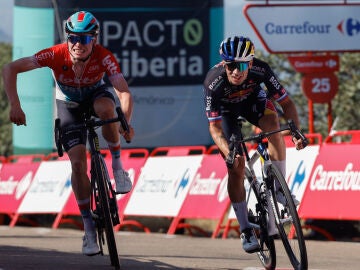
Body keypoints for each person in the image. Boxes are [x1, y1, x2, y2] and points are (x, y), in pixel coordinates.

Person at [2, 11, 134, 256]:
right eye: (73, 38)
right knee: (76, 164)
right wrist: (16, 105)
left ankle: (117, 165)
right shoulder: (55, 53)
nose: (77, 44)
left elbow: (124, 93)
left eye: (84, 39)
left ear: (93, 39)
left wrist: (125, 122)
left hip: (96, 95)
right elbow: (10, 68)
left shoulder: (104, 57)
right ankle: (88, 228)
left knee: (107, 108)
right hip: (69, 104)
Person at [203, 36, 306, 253]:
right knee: (236, 166)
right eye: (230, 65)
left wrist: (296, 131)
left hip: (253, 102)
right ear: (224, 63)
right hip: (226, 113)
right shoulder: (214, 82)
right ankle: (245, 228)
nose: (235, 71)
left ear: (250, 63)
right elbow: (214, 128)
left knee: (274, 125)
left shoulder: (262, 70)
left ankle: (279, 188)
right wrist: (229, 153)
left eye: (241, 65)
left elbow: (286, 103)